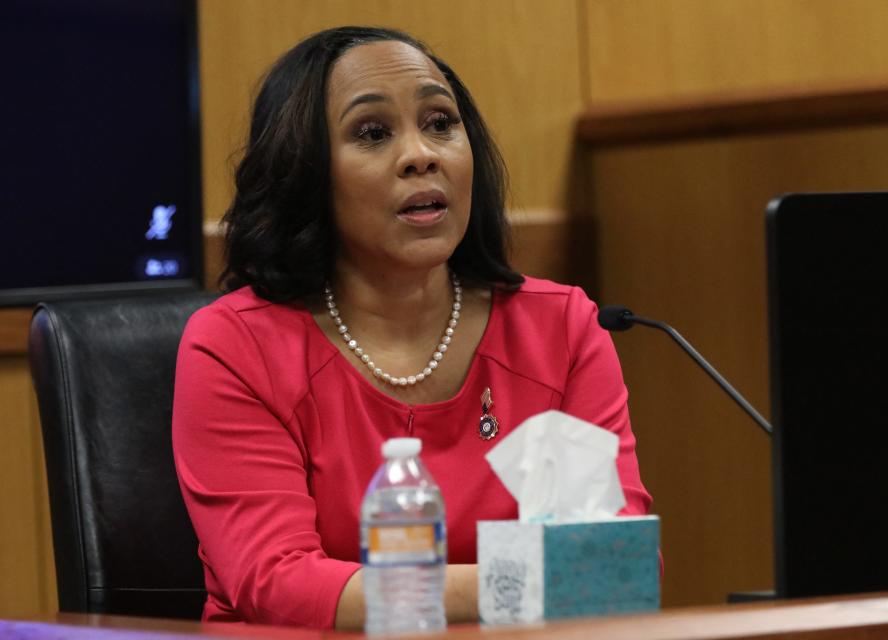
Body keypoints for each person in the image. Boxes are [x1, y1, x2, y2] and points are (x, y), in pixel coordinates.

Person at [172, 26, 653, 631]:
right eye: (372, 133)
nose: (420, 154)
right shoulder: (235, 346)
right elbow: (279, 580)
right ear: (307, 172)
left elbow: (616, 562)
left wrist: (560, 581)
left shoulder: (560, 328)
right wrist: (526, 582)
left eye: (440, 123)